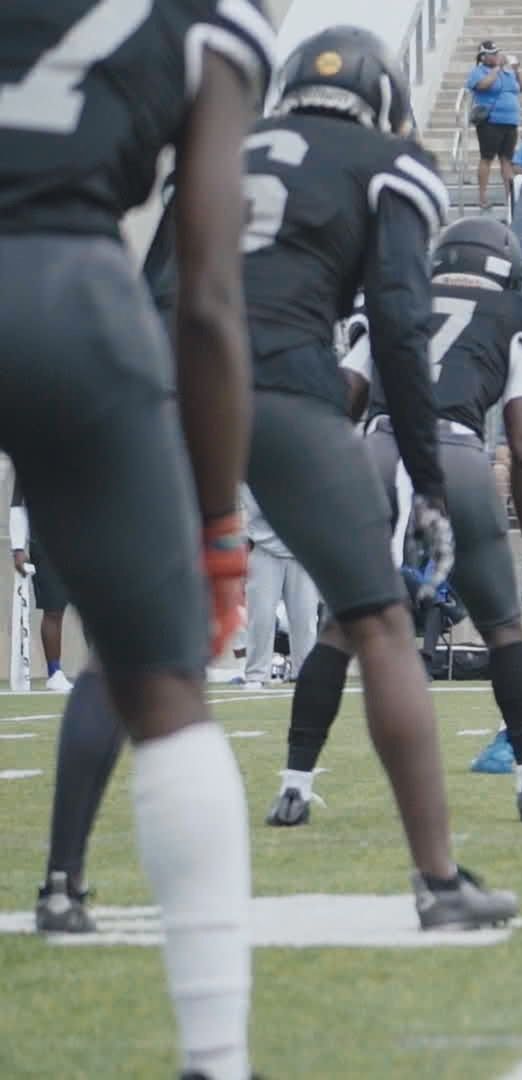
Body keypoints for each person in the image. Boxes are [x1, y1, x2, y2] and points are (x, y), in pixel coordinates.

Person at [3, 14, 270, 1080]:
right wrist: (217, 525)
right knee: (160, 686)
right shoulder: (210, 23)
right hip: (69, 289)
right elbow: (207, 295)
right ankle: (216, 1057)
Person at [223, 28, 515, 924]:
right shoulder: (393, 164)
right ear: (384, 97)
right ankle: (438, 882)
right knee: (378, 623)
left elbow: (165, 278)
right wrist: (426, 480)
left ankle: (61, 881)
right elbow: (397, 327)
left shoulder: (227, 145)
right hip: (278, 385)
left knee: (140, 653)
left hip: (157, 374)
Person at [287, 216, 522, 823]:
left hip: (377, 452)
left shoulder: (391, 297)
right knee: (503, 630)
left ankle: (294, 786)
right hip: (456, 457)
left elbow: (343, 396)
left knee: (339, 630)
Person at [240, 486, 319, 689]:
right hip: (263, 548)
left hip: (303, 550)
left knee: (305, 618)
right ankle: (256, 674)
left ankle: (305, 673)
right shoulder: (252, 472)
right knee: (261, 616)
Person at [7, 494, 72, 691]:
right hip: (46, 543)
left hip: (81, 540)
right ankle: (54, 673)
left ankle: (104, 672)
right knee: (54, 609)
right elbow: (18, 503)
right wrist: (18, 548)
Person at [465, 42, 521, 211]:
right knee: (487, 158)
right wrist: (497, 68)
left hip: (510, 121)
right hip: (491, 121)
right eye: (493, 54)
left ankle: (510, 198)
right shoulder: (478, 71)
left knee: (507, 160)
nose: (497, 56)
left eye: (497, 53)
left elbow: (521, 87)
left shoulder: (507, 72)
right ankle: (482, 198)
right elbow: (483, 85)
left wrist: (516, 70)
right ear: (483, 57)